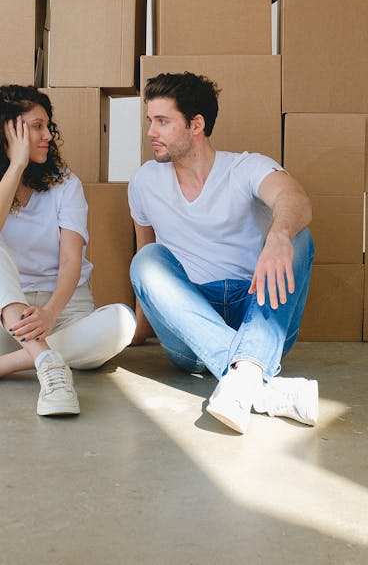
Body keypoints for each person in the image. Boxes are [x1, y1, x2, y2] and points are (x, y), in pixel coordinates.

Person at [0, 85, 136, 416]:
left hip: (65, 312)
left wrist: (50, 313)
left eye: (48, 126)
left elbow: (72, 259)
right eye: (36, 126)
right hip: (8, 317)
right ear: (7, 131)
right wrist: (15, 167)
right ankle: (45, 361)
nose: (47, 135)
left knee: (123, 322)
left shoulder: (65, 184)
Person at [128, 72, 319, 434]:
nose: (151, 132)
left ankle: (243, 377)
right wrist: (141, 326)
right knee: (147, 259)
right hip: (190, 328)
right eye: (150, 121)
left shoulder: (245, 167)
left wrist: (279, 235)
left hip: (258, 311)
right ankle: (255, 380)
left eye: (162, 122)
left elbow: (295, 199)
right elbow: (145, 254)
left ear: (196, 124)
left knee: (299, 238)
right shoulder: (144, 181)